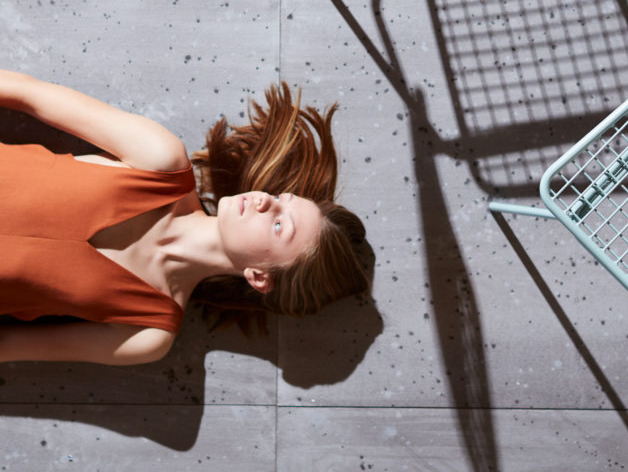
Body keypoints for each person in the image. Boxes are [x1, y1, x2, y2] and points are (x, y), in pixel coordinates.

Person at [0, 69, 368, 365]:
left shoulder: (148, 332)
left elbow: (7, 347)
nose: (262, 201)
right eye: (278, 199)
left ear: (259, 277)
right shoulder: (161, 160)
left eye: (278, 225)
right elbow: (26, 93)